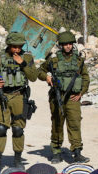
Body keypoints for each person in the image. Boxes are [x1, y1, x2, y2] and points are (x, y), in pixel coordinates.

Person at [0, 32, 38, 169]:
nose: (17, 49)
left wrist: (23, 63)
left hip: (20, 96)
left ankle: (18, 159)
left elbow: (33, 77)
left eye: (19, 46)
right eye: (14, 47)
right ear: (9, 45)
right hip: (3, 97)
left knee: (18, 129)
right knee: (1, 128)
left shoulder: (27, 56)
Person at [38, 31, 90, 164]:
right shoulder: (53, 60)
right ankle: (56, 151)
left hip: (73, 97)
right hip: (57, 97)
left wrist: (81, 93)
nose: (68, 46)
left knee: (74, 124)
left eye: (70, 44)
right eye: (65, 44)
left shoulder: (79, 61)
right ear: (61, 45)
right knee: (57, 123)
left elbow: (85, 78)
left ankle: (77, 152)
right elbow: (40, 71)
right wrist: (47, 77)